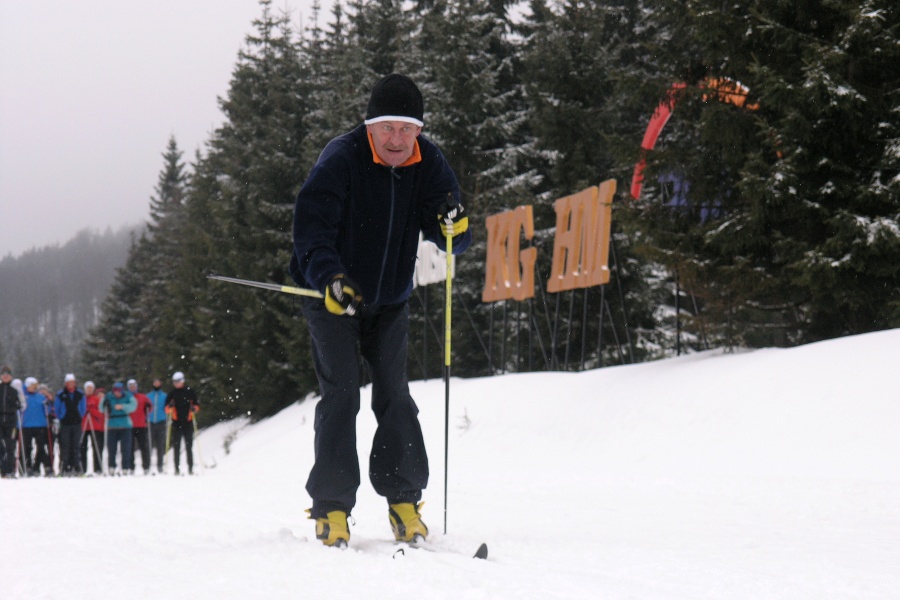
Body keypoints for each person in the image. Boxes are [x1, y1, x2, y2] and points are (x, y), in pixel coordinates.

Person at [289, 73, 471, 547]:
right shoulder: (343, 157)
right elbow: (310, 226)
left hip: (389, 301)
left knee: (395, 395)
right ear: (370, 125)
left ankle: (404, 498)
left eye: (407, 129)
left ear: (419, 131)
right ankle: (332, 506)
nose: (396, 139)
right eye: (387, 127)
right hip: (334, 298)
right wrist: (329, 277)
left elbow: (450, 226)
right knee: (343, 393)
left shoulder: (427, 161)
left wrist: (453, 225)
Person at [164, 372, 199, 475]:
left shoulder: (190, 392)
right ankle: (176, 468)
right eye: (174, 381)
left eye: (178, 381)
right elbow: (166, 410)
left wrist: (194, 409)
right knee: (176, 446)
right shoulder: (172, 393)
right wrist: (170, 406)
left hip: (188, 422)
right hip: (176, 422)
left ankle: (190, 467)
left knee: (189, 446)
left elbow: (197, 405)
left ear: (182, 381)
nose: (176, 383)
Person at [100, 382, 137, 474]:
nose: (117, 393)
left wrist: (123, 406)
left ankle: (125, 467)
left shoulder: (128, 396)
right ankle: (111, 466)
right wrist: (104, 405)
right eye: (116, 391)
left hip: (125, 424)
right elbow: (101, 408)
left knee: (126, 448)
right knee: (111, 448)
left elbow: (133, 406)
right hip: (112, 425)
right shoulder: (108, 396)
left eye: (119, 390)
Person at [53, 373, 85, 476]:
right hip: (65, 423)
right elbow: (56, 408)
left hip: (76, 422)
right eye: (69, 382)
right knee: (65, 446)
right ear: (66, 383)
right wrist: (60, 416)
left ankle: (76, 467)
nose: (71, 384)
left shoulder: (80, 394)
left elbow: (83, 407)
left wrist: (80, 415)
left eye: (72, 382)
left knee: (76, 446)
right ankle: (64, 467)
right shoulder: (61, 394)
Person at [20, 377, 52, 476]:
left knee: (41, 447)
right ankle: (27, 466)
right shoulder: (23, 397)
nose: (34, 388)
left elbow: (48, 410)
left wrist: (48, 402)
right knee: (27, 447)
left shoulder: (41, 397)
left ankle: (42, 466)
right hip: (26, 425)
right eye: (32, 386)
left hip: (40, 425)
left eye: (35, 386)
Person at [0, 366, 25, 477]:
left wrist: (19, 405)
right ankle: (2, 469)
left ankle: (9, 470)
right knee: (1, 445)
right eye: (3, 375)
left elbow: (23, 404)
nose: (5, 376)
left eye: (7, 375)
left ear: (10, 377)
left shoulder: (15, 390)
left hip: (11, 420)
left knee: (10, 445)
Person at [79, 381, 105, 475]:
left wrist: (92, 411)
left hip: (95, 426)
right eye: (87, 388)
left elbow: (101, 413)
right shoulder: (82, 399)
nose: (89, 390)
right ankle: (82, 468)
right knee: (82, 447)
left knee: (97, 447)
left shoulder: (97, 399)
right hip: (84, 426)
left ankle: (98, 468)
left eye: (91, 388)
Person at [127, 379, 152, 475]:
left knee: (144, 446)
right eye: (131, 386)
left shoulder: (142, 397)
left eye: (134, 386)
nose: (133, 388)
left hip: (141, 425)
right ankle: (131, 467)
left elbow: (150, 408)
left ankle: (146, 466)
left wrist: (148, 406)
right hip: (129, 425)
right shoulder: (127, 397)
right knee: (130, 447)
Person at [147, 378, 168, 474]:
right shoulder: (149, 396)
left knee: (160, 444)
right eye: (155, 382)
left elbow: (167, 408)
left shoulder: (164, 396)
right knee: (149, 444)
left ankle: (160, 464)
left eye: (158, 382)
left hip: (161, 421)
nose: (156, 384)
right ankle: (148, 464)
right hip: (150, 422)